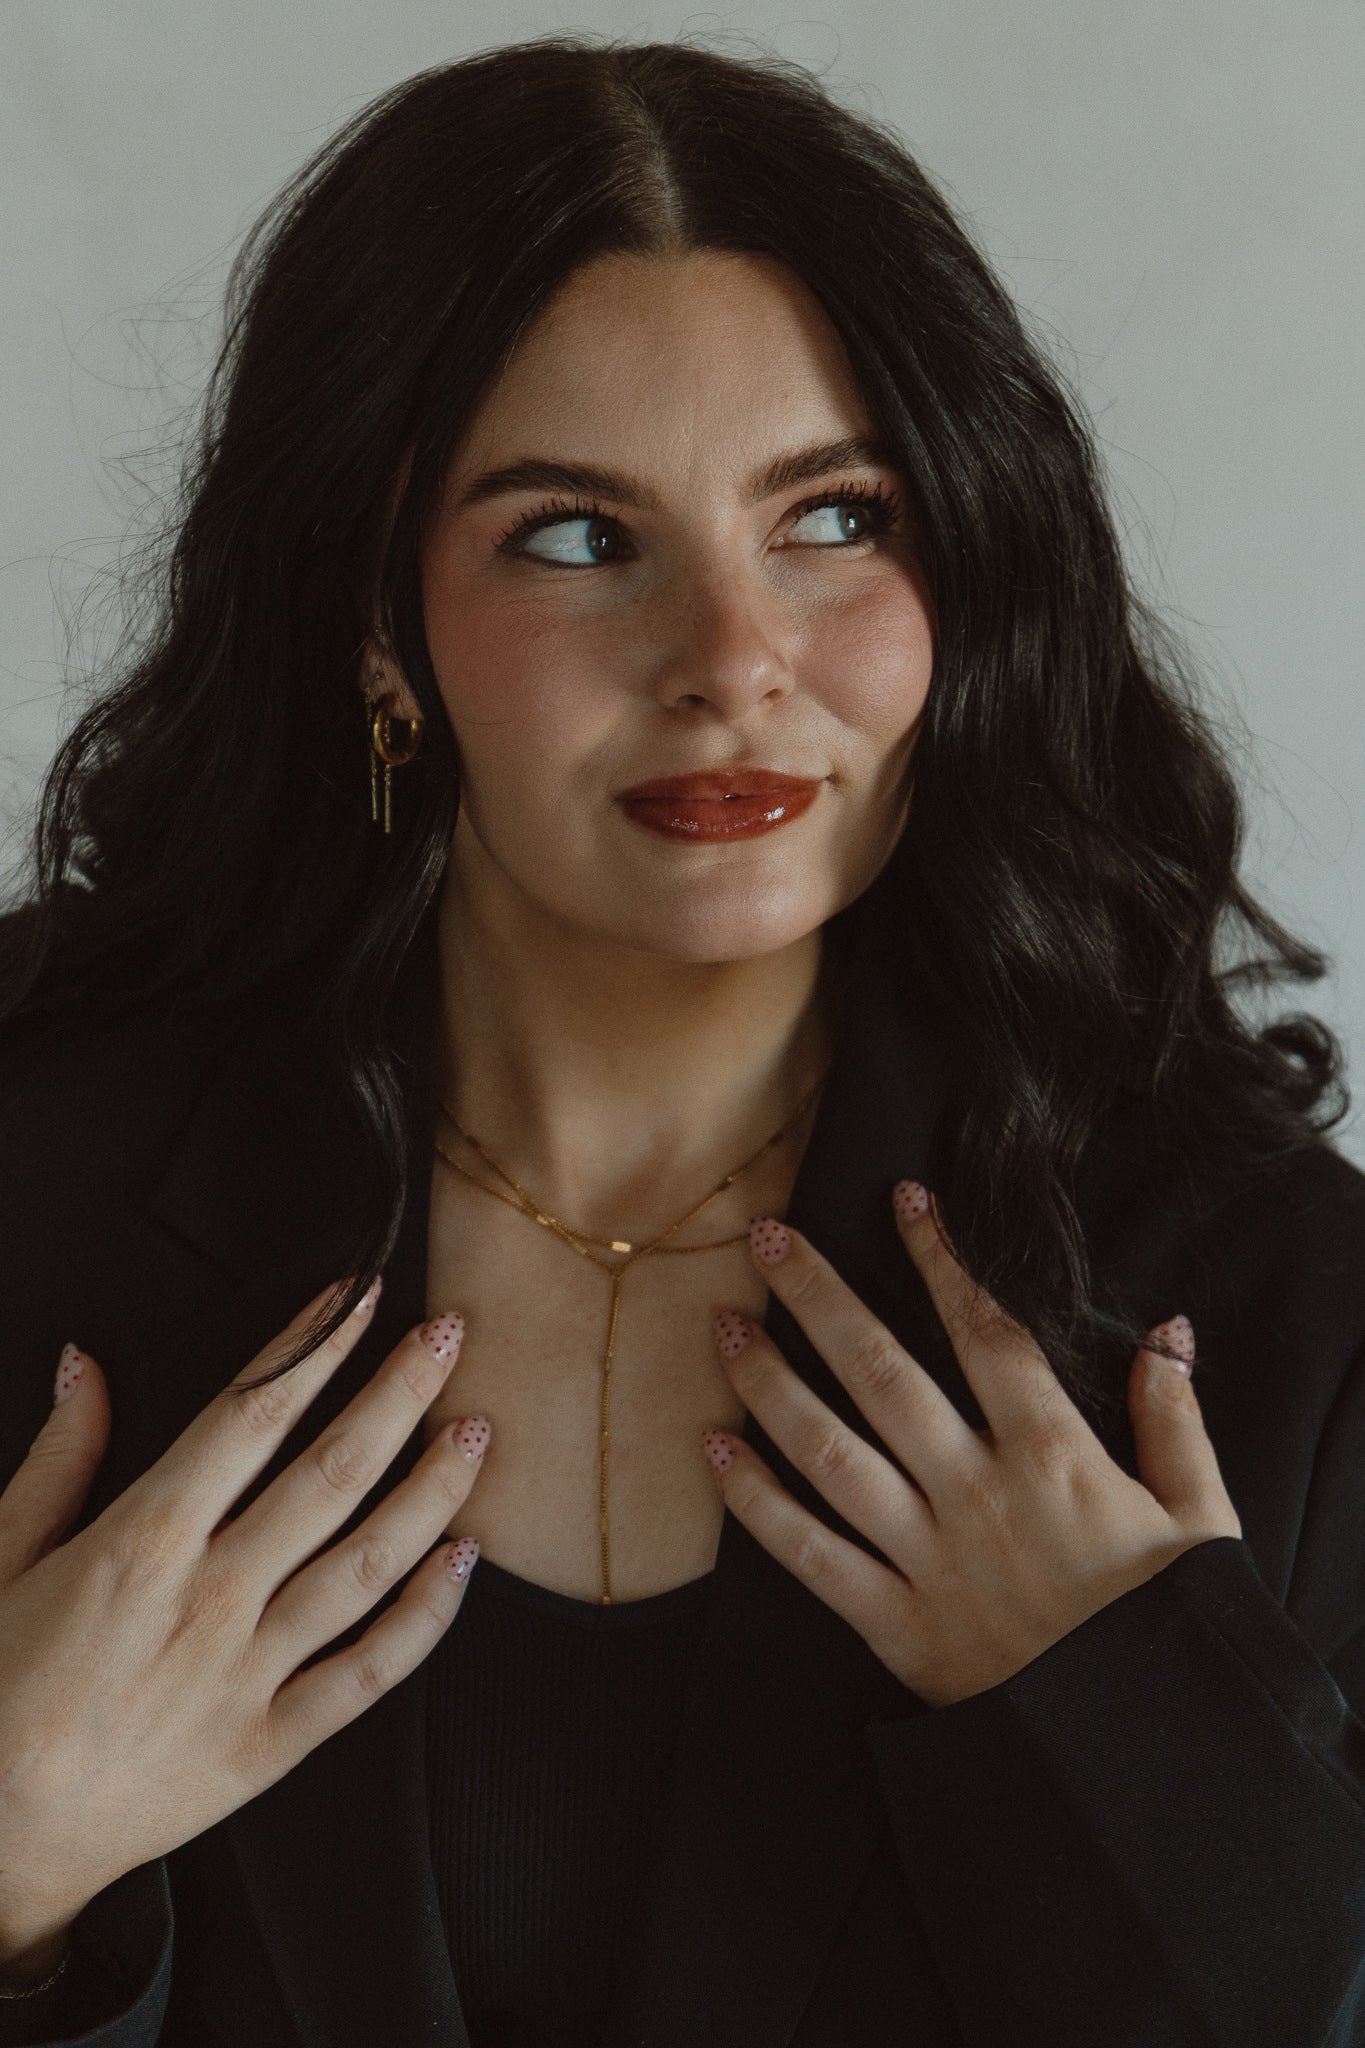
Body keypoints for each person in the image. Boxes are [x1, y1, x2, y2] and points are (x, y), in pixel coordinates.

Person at [0, 31, 1362, 2048]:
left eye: (834, 518)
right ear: (375, 621)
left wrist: (1131, 1736)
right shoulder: (38, 1182)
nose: (731, 660)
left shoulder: (1265, 1303)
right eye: (575, 535)